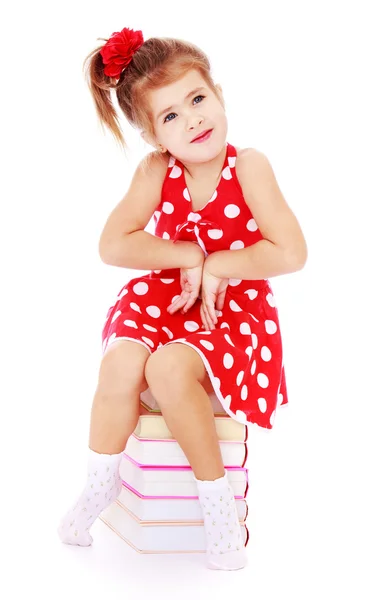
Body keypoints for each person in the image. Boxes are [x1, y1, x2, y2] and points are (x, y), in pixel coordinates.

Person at [58, 27, 307, 570]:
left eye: (197, 99)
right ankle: (100, 481)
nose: (192, 119)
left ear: (217, 94)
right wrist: (187, 255)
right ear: (153, 136)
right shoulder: (155, 171)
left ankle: (217, 504)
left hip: (232, 311)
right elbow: (112, 244)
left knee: (170, 370)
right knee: (122, 362)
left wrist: (221, 262)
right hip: (164, 299)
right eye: (170, 116)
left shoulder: (249, 166)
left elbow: (290, 253)